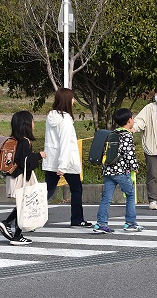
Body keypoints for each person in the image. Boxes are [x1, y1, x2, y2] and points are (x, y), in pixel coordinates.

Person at [0, 111, 47, 245]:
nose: (34, 123)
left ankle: (13, 230)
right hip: (21, 177)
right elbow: (24, 161)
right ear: (26, 124)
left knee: (22, 205)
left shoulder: (14, 140)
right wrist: (39, 156)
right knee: (24, 205)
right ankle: (10, 227)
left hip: (13, 176)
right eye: (32, 120)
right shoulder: (25, 142)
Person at [43, 88, 91, 227]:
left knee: (46, 192)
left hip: (51, 160)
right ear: (67, 100)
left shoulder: (50, 117)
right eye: (72, 98)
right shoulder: (65, 120)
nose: (73, 100)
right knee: (76, 190)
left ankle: (26, 215)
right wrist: (62, 166)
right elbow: (65, 143)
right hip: (66, 162)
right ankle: (77, 219)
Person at [92, 108, 144, 234]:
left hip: (108, 171)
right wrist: (135, 166)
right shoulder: (126, 135)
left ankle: (101, 223)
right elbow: (129, 154)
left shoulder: (113, 133)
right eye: (132, 118)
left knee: (106, 198)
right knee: (131, 194)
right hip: (121, 171)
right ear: (129, 121)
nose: (133, 120)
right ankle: (130, 223)